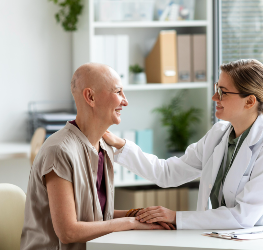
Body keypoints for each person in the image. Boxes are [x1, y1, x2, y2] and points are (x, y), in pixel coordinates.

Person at [104, 59, 263, 230]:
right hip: (224, 236)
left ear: (250, 101)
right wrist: (120, 145)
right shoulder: (219, 134)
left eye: (223, 92)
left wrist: (176, 217)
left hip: (262, 240)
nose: (214, 98)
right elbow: (167, 173)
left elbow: (243, 217)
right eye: (217, 88)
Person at [20, 63, 168, 250]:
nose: (125, 101)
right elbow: (69, 232)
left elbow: (96, 216)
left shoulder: (104, 146)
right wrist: (130, 223)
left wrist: (137, 215)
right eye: (118, 92)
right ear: (90, 97)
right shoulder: (59, 151)